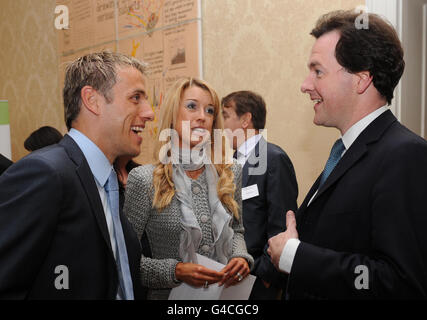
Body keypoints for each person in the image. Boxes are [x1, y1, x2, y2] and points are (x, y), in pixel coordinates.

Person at [267, 10, 427, 299]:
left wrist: (295, 255)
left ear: (361, 79)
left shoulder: (405, 155)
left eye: (318, 71)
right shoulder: (345, 152)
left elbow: (401, 283)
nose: (305, 85)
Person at [0, 51, 154, 299]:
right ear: (92, 100)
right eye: (135, 98)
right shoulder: (45, 174)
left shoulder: (110, 181)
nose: (149, 112)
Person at [124, 77, 254, 300]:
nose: (202, 117)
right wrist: (175, 271)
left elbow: (237, 230)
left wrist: (241, 258)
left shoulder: (229, 172)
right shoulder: (144, 179)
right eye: (192, 106)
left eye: (210, 110)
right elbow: (125, 259)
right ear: (173, 114)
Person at [222, 90, 298, 300]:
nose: (222, 124)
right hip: (232, 276)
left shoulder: (273, 158)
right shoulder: (229, 165)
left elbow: (282, 223)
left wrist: (266, 276)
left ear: (246, 119)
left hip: (259, 280)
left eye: (226, 116)